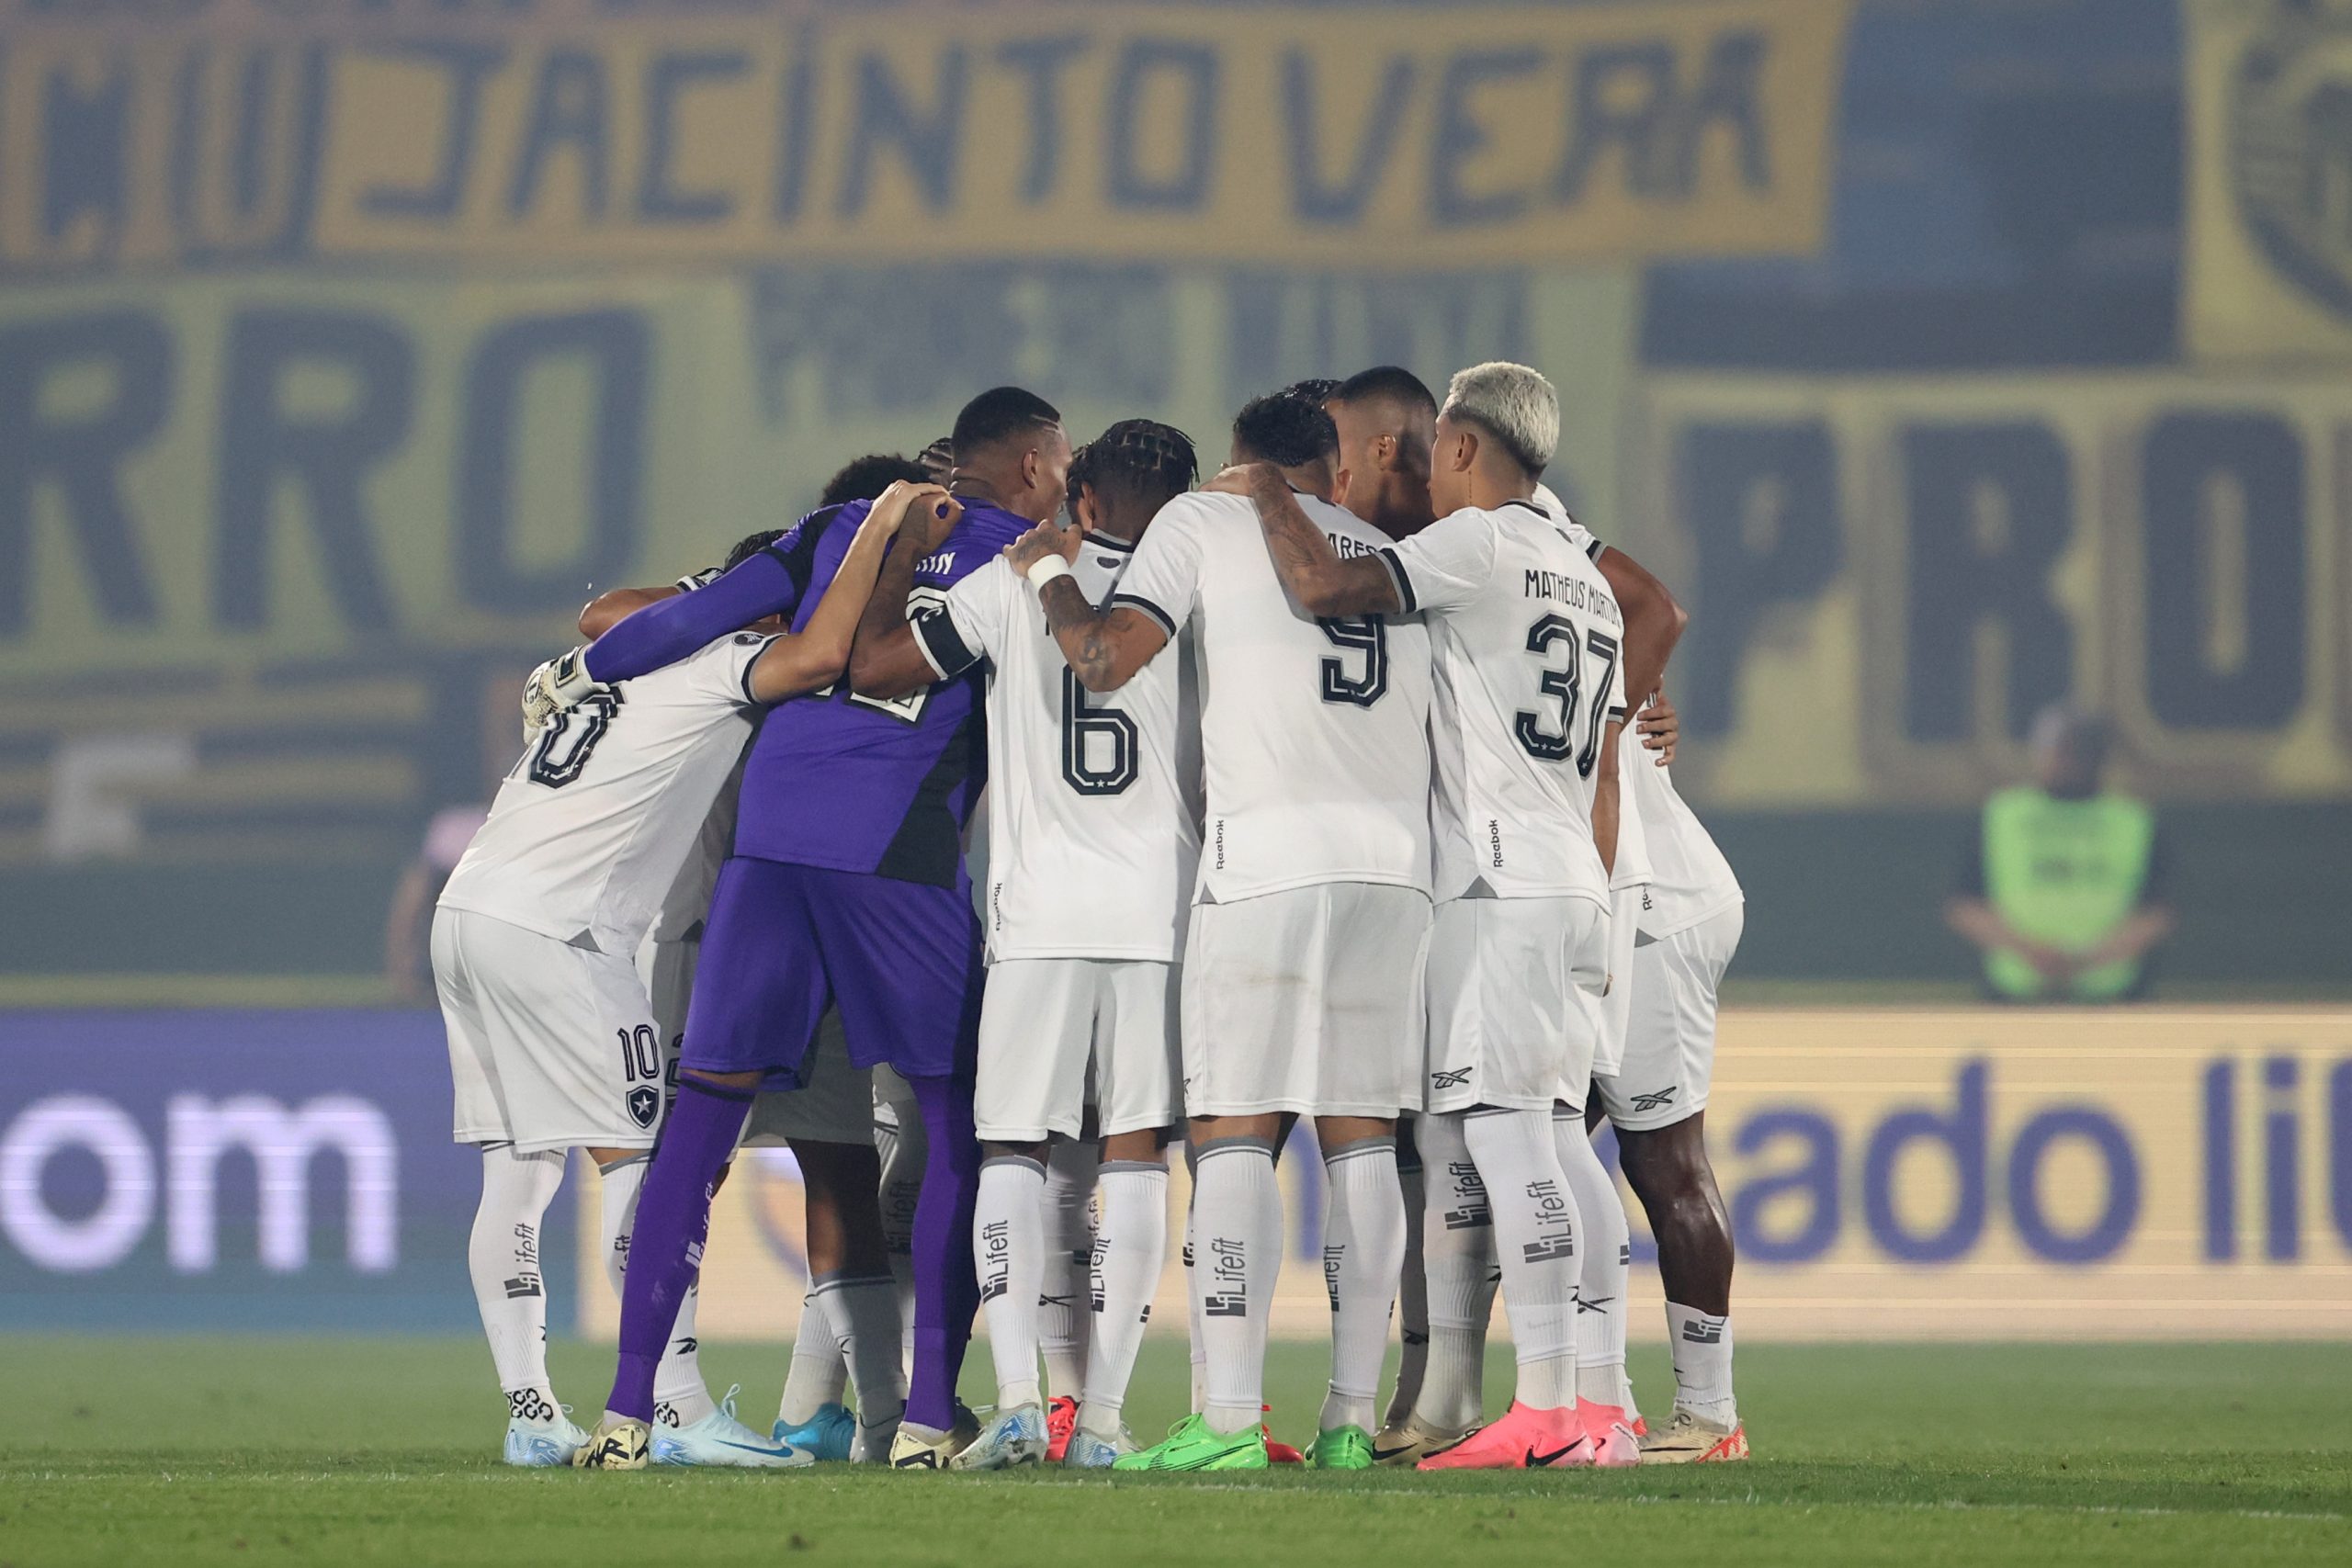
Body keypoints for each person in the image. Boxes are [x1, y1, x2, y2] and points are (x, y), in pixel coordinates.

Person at [537, 389, 1066, 1472]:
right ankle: (924, 1420)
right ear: (1023, 468)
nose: (1065, 479)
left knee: (700, 1121)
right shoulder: (1029, 561)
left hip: (767, 856)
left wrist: (588, 671)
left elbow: (688, 620)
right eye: (1058, 463)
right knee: (952, 1120)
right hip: (897, 858)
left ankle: (629, 1413)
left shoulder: (829, 532)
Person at [431, 497, 922, 1469]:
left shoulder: (609, 678)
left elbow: (610, 619)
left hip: (472, 912)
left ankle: (532, 1415)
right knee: (642, 1166)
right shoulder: (719, 667)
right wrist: (870, 538)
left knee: (515, 1172)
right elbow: (821, 656)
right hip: (562, 936)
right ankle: (680, 1407)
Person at [1003, 390, 1435, 1472]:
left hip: (1269, 865)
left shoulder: (1201, 521)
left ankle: (1230, 1422)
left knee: (1235, 1131)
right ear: (1330, 470)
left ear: (1241, 464)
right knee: (1362, 1137)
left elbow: (1102, 660)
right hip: (1394, 873)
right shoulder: (1379, 548)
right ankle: (1347, 1418)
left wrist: (1047, 571)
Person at [1220, 362, 1631, 1471]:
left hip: (1497, 887)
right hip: (1572, 885)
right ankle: (1605, 1400)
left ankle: (1544, 1408)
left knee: (1504, 1140)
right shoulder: (1577, 572)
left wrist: (1264, 493)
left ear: (1456, 444)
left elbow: (1325, 587)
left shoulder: (1481, 541)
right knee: (1558, 1143)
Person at [852, 419, 1203, 1468]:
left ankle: (1011, 1402)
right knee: (1134, 1153)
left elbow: (876, 667)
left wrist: (898, 558)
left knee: (1012, 1147)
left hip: (1039, 914)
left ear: (1081, 497)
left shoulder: (1012, 576)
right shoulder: (1205, 585)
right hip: (1160, 913)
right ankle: (1095, 1423)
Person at [1947, 705, 2173, 1003]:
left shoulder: (2133, 821)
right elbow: (1964, 904)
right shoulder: (2002, 815)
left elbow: (2159, 911)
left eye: (2077, 751)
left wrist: (2092, 958)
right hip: (2015, 994)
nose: (2065, 761)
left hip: (2111, 997)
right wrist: (2030, 952)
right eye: (2057, 749)